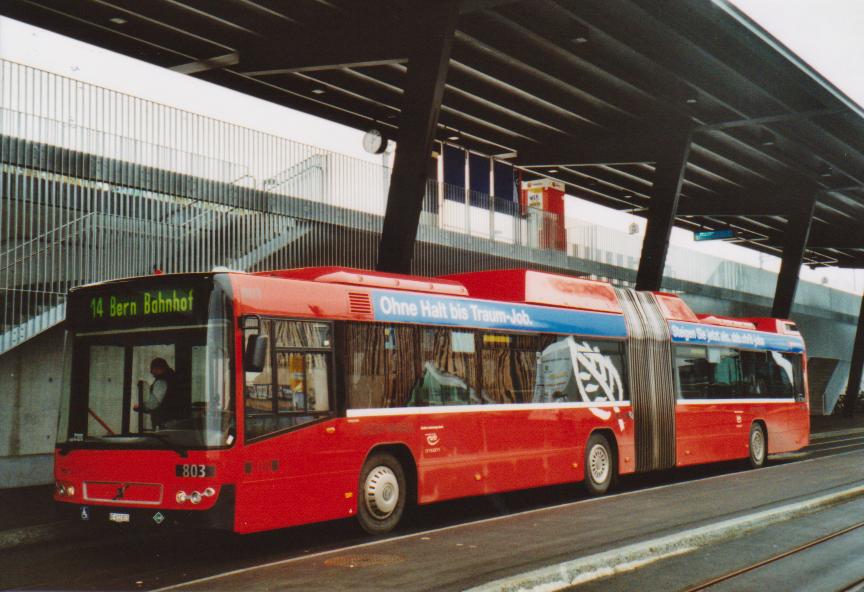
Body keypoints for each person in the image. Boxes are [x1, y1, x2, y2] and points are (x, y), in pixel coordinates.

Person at [135, 358, 180, 428]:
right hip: (175, 421)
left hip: (165, 422)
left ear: (157, 368)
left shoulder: (161, 381)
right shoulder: (174, 378)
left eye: (152, 369)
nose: (151, 372)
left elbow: (153, 404)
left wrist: (140, 407)